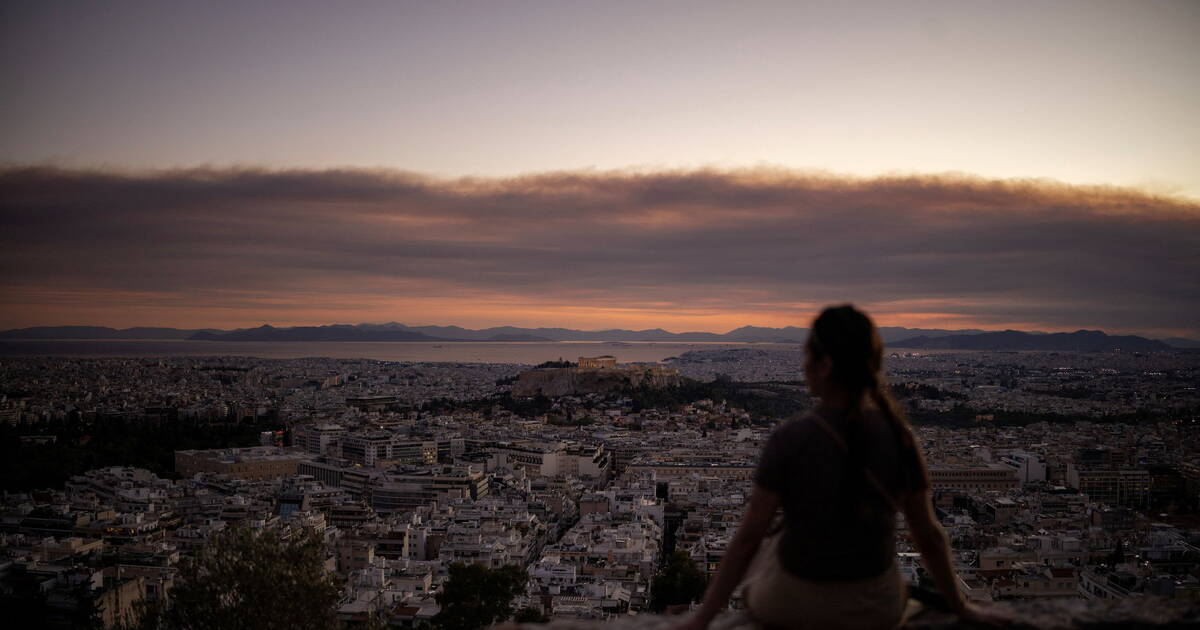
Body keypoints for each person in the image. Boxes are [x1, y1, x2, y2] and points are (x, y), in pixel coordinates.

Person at [673, 305, 1005, 630]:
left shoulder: (791, 437)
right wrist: (961, 606)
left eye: (807, 358)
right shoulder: (899, 436)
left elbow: (748, 539)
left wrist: (702, 618)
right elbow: (928, 535)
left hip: (791, 605)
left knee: (772, 546)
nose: (803, 368)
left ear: (825, 365)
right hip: (876, 608)